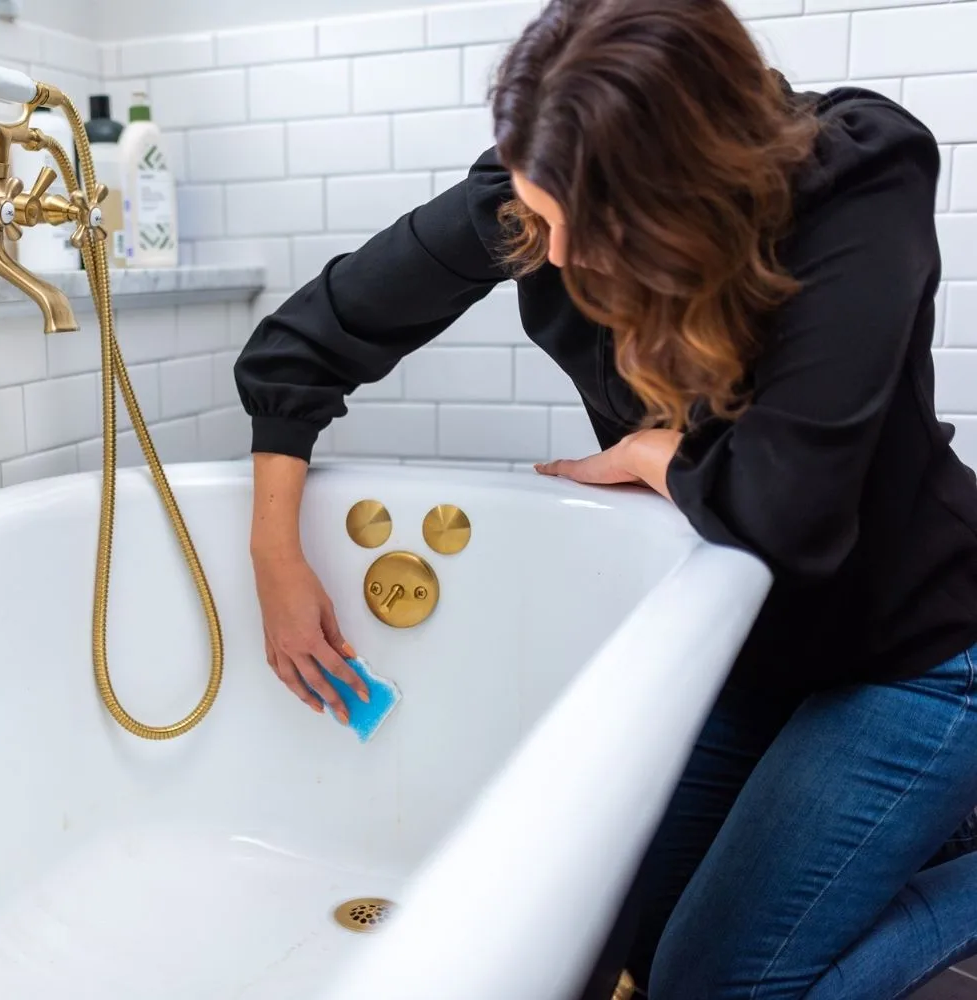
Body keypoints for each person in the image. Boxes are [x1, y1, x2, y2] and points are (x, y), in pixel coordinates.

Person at [232, 0, 977, 997]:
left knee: (711, 986)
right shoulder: (537, 201)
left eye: (594, 227)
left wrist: (663, 455)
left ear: (687, 193)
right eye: (540, 215)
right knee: (618, 947)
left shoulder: (858, 182)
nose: (561, 253)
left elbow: (791, 511)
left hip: (916, 646)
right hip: (752, 648)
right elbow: (301, 346)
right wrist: (276, 559)